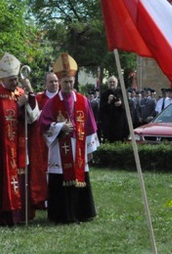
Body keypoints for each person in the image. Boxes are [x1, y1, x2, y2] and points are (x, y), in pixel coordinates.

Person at [0, 52, 42, 225]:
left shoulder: (20, 92)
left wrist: (29, 99)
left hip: (19, 143)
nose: (15, 83)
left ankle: (20, 213)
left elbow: (33, 118)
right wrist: (18, 105)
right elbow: (1, 120)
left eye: (16, 79)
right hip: (1, 147)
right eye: (11, 80)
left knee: (20, 176)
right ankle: (2, 215)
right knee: (2, 178)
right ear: (3, 78)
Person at [39, 53, 99, 223]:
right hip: (60, 146)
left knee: (81, 177)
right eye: (65, 82)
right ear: (60, 83)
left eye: (71, 82)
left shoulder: (83, 100)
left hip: (79, 145)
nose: (68, 85)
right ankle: (61, 214)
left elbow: (90, 126)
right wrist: (60, 127)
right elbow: (43, 124)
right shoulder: (52, 103)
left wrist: (89, 149)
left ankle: (82, 212)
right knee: (60, 179)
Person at [29, 71, 59, 208]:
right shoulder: (39, 98)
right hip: (41, 139)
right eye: (51, 81)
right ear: (45, 83)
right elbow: (32, 117)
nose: (54, 84)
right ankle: (40, 198)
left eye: (56, 81)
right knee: (41, 168)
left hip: (58, 140)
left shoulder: (62, 97)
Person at [100, 76, 128, 142]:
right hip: (109, 123)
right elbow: (102, 109)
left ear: (117, 83)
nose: (112, 83)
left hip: (120, 122)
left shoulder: (122, 92)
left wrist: (121, 103)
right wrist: (108, 102)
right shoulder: (104, 94)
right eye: (110, 82)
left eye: (113, 82)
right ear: (108, 84)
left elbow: (129, 105)